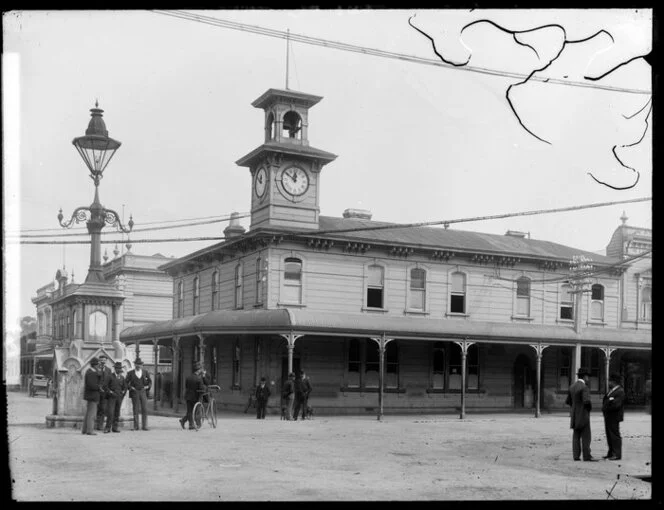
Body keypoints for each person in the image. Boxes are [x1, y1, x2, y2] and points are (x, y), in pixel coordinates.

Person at [565, 367, 597, 461]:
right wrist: (588, 409)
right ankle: (587, 456)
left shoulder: (572, 387)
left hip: (574, 415)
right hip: (583, 415)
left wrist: (575, 407)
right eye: (588, 377)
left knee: (576, 436)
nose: (589, 379)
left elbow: (568, 401)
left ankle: (576, 456)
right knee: (586, 436)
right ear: (585, 377)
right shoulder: (584, 387)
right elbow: (587, 401)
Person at [602, 373, 625, 460]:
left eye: (610, 381)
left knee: (614, 435)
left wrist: (607, 405)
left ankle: (617, 454)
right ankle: (611, 452)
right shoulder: (612, 391)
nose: (609, 383)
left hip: (614, 416)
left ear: (614, 382)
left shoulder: (620, 391)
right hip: (608, 416)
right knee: (609, 435)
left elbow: (616, 405)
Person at [126, 358, 152, 431]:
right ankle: (136, 426)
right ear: (134, 365)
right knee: (135, 409)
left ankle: (144, 426)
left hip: (143, 391)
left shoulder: (145, 372)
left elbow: (150, 381)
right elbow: (126, 382)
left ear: (142, 365)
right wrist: (131, 388)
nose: (138, 366)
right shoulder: (130, 373)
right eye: (137, 364)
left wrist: (148, 386)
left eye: (140, 364)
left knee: (145, 409)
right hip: (135, 392)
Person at [180, 361, 205, 430]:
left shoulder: (188, 377)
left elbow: (186, 386)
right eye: (200, 369)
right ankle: (194, 424)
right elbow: (201, 388)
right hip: (195, 397)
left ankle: (186, 422)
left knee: (189, 411)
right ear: (198, 370)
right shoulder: (199, 379)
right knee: (197, 411)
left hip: (188, 396)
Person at [105, 361, 127, 433]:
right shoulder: (110, 376)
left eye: (120, 368)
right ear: (115, 369)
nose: (119, 370)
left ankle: (115, 428)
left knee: (117, 413)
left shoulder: (122, 378)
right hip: (112, 397)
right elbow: (106, 387)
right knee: (110, 413)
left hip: (119, 398)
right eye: (117, 368)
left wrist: (122, 394)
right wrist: (110, 392)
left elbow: (125, 388)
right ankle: (108, 428)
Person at [82, 357, 101, 436]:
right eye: (97, 364)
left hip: (91, 395)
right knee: (92, 414)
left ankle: (85, 429)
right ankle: (90, 430)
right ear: (95, 365)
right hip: (92, 395)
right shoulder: (90, 373)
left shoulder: (91, 372)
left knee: (88, 413)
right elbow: (91, 385)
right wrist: (99, 387)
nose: (98, 366)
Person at [95, 353, 112, 431]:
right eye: (101, 360)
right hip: (97, 392)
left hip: (105, 393)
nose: (103, 362)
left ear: (106, 361)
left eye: (104, 360)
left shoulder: (108, 370)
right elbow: (94, 380)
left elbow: (110, 381)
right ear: (99, 361)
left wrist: (108, 390)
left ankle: (100, 425)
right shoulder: (96, 369)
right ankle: (95, 424)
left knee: (103, 409)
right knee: (96, 408)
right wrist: (99, 387)